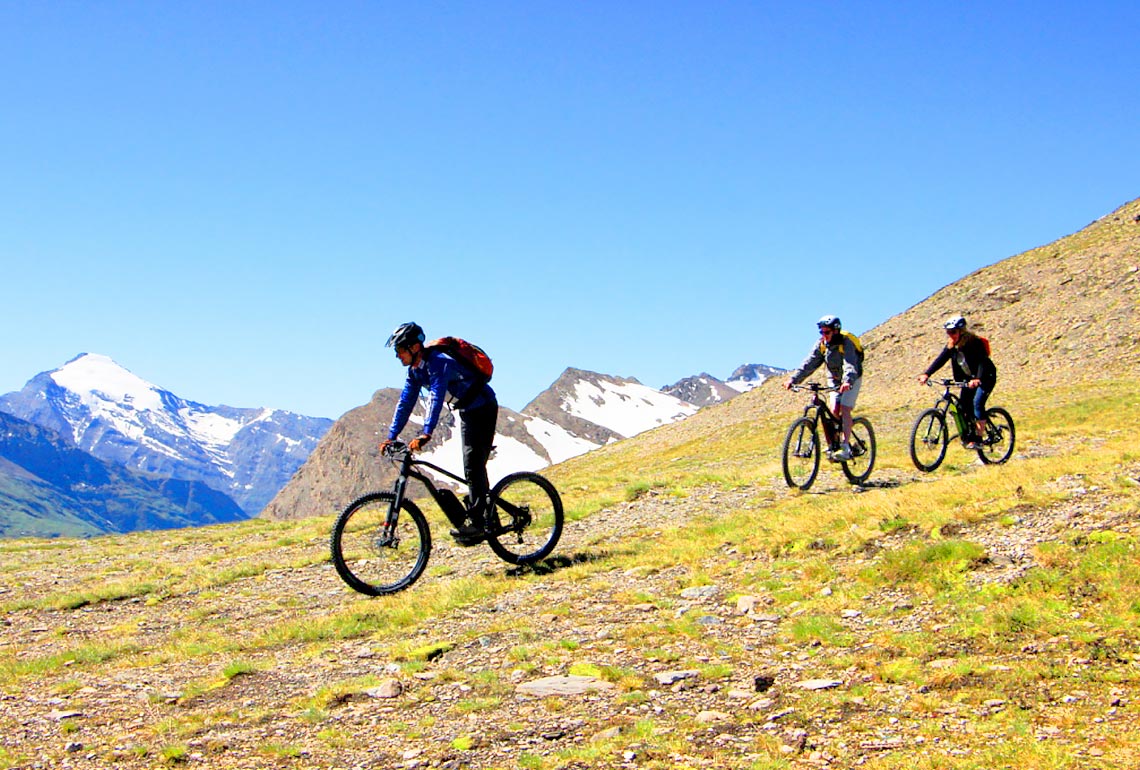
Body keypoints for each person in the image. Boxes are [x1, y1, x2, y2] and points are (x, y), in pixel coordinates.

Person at [379, 322, 499, 545]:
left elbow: (436, 395)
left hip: (483, 407)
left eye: (400, 350)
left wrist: (427, 432)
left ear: (414, 347)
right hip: (467, 410)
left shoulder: (438, 362)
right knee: (471, 464)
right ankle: (484, 517)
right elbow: (405, 402)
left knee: (472, 463)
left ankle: (479, 522)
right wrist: (391, 435)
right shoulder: (415, 371)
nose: (397, 356)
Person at [784, 314, 864, 461]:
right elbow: (809, 363)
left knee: (845, 408)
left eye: (826, 332)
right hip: (834, 379)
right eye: (821, 332)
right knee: (833, 410)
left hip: (852, 378)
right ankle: (833, 445)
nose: (823, 335)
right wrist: (793, 379)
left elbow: (850, 364)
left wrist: (847, 381)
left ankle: (846, 447)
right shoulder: (822, 345)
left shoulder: (846, 342)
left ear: (835, 331)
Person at [917, 315, 996, 449]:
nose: (950, 335)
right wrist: (927, 373)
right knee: (963, 406)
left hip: (985, 377)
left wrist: (977, 378)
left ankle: (978, 439)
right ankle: (968, 437)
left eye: (953, 332)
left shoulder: (974, 343)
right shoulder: (951, 346)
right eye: (948, 332)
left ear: (962, 331)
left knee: (977, 404)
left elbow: (982, 361)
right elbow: (940, 360)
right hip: (967, 380)